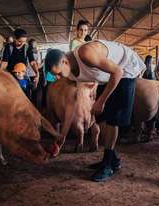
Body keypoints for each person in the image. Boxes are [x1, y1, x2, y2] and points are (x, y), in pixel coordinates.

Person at [45, 39, 146, 182]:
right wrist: (63, 135)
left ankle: (108, 165)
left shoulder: (86, 54)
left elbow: (117, 71)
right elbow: (72, 104)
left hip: (125, 69)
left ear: (65, 62)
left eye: (59, 73)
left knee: (112, 119)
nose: (58, 78)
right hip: (107, 77)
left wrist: (101, 101)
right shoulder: (69, 75)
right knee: (101, 117)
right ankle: (113, 159)